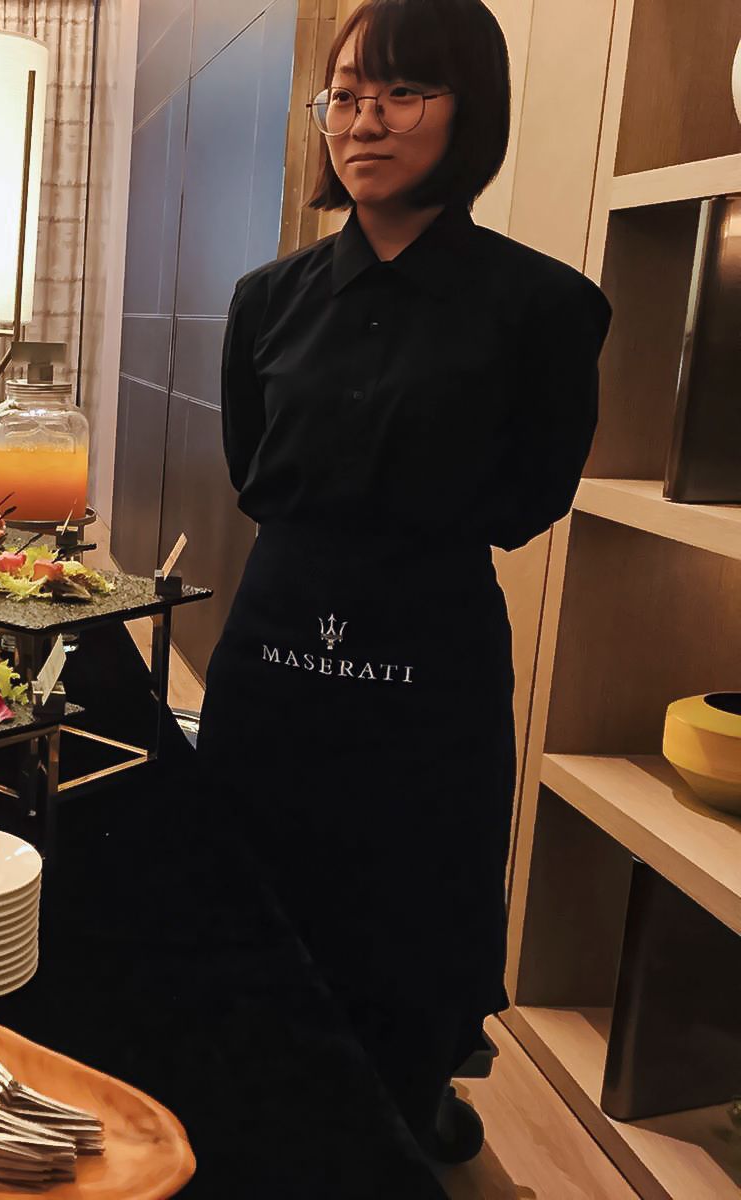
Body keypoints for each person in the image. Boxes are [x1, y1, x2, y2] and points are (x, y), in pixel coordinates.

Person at [194, 0, 610, 1164]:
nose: (362, 122)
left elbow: (532, 497)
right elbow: (251, 469)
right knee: (253, 867)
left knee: (419, 889)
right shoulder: (266, 299)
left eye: (402, 94)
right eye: (344, 96)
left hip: (431, 638)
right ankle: (264, 1099)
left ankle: (403, 1097)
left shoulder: (545, 306)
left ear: (468, 110)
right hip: (278, 625)